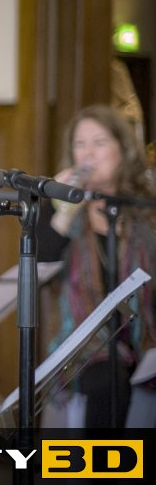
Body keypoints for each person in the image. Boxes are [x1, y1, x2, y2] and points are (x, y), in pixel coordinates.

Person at [38, 104, 156, 429]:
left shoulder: (146, 210)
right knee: (108, 379)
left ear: (123, 150)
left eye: (99, 143)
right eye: (80, 144)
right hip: (85, 345)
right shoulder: (61, 212)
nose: (88, 153)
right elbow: (40, 265)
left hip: (145, 335)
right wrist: (62, 209)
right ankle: (104, 463)